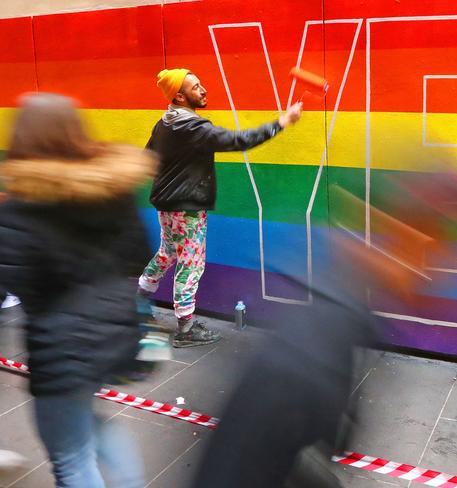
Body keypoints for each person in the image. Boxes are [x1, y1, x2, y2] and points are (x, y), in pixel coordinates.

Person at [0, 92, 156, 488]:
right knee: (85, 417)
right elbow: (139, 254)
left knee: (70, 458)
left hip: (62, 347)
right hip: (117, 330)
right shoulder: (112, 188)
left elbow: (19, 282)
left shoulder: (18, 207)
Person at [137, 68, 303, 348]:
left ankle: (139, 300)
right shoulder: (192, 127)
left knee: (167, 254)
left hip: (166, 205)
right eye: (195, 87)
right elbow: (239, 140)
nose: (203, 90)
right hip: (187, 208)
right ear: (179, 95)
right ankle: (186, 328)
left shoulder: (165, 123)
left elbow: (148, 158)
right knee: (191, 264)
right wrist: (282, 122)